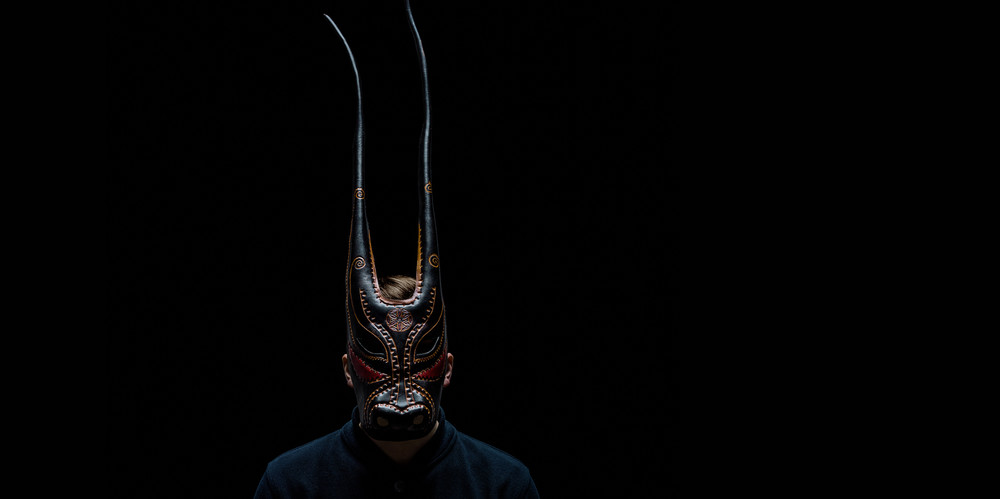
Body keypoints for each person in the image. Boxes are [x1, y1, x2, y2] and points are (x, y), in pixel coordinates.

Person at [254, 2, 538, 497]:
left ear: (448, 368)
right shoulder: (289, 484)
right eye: (375, 358)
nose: (401, 391)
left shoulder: (504, 484)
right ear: (348, 368)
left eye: (424, 356)